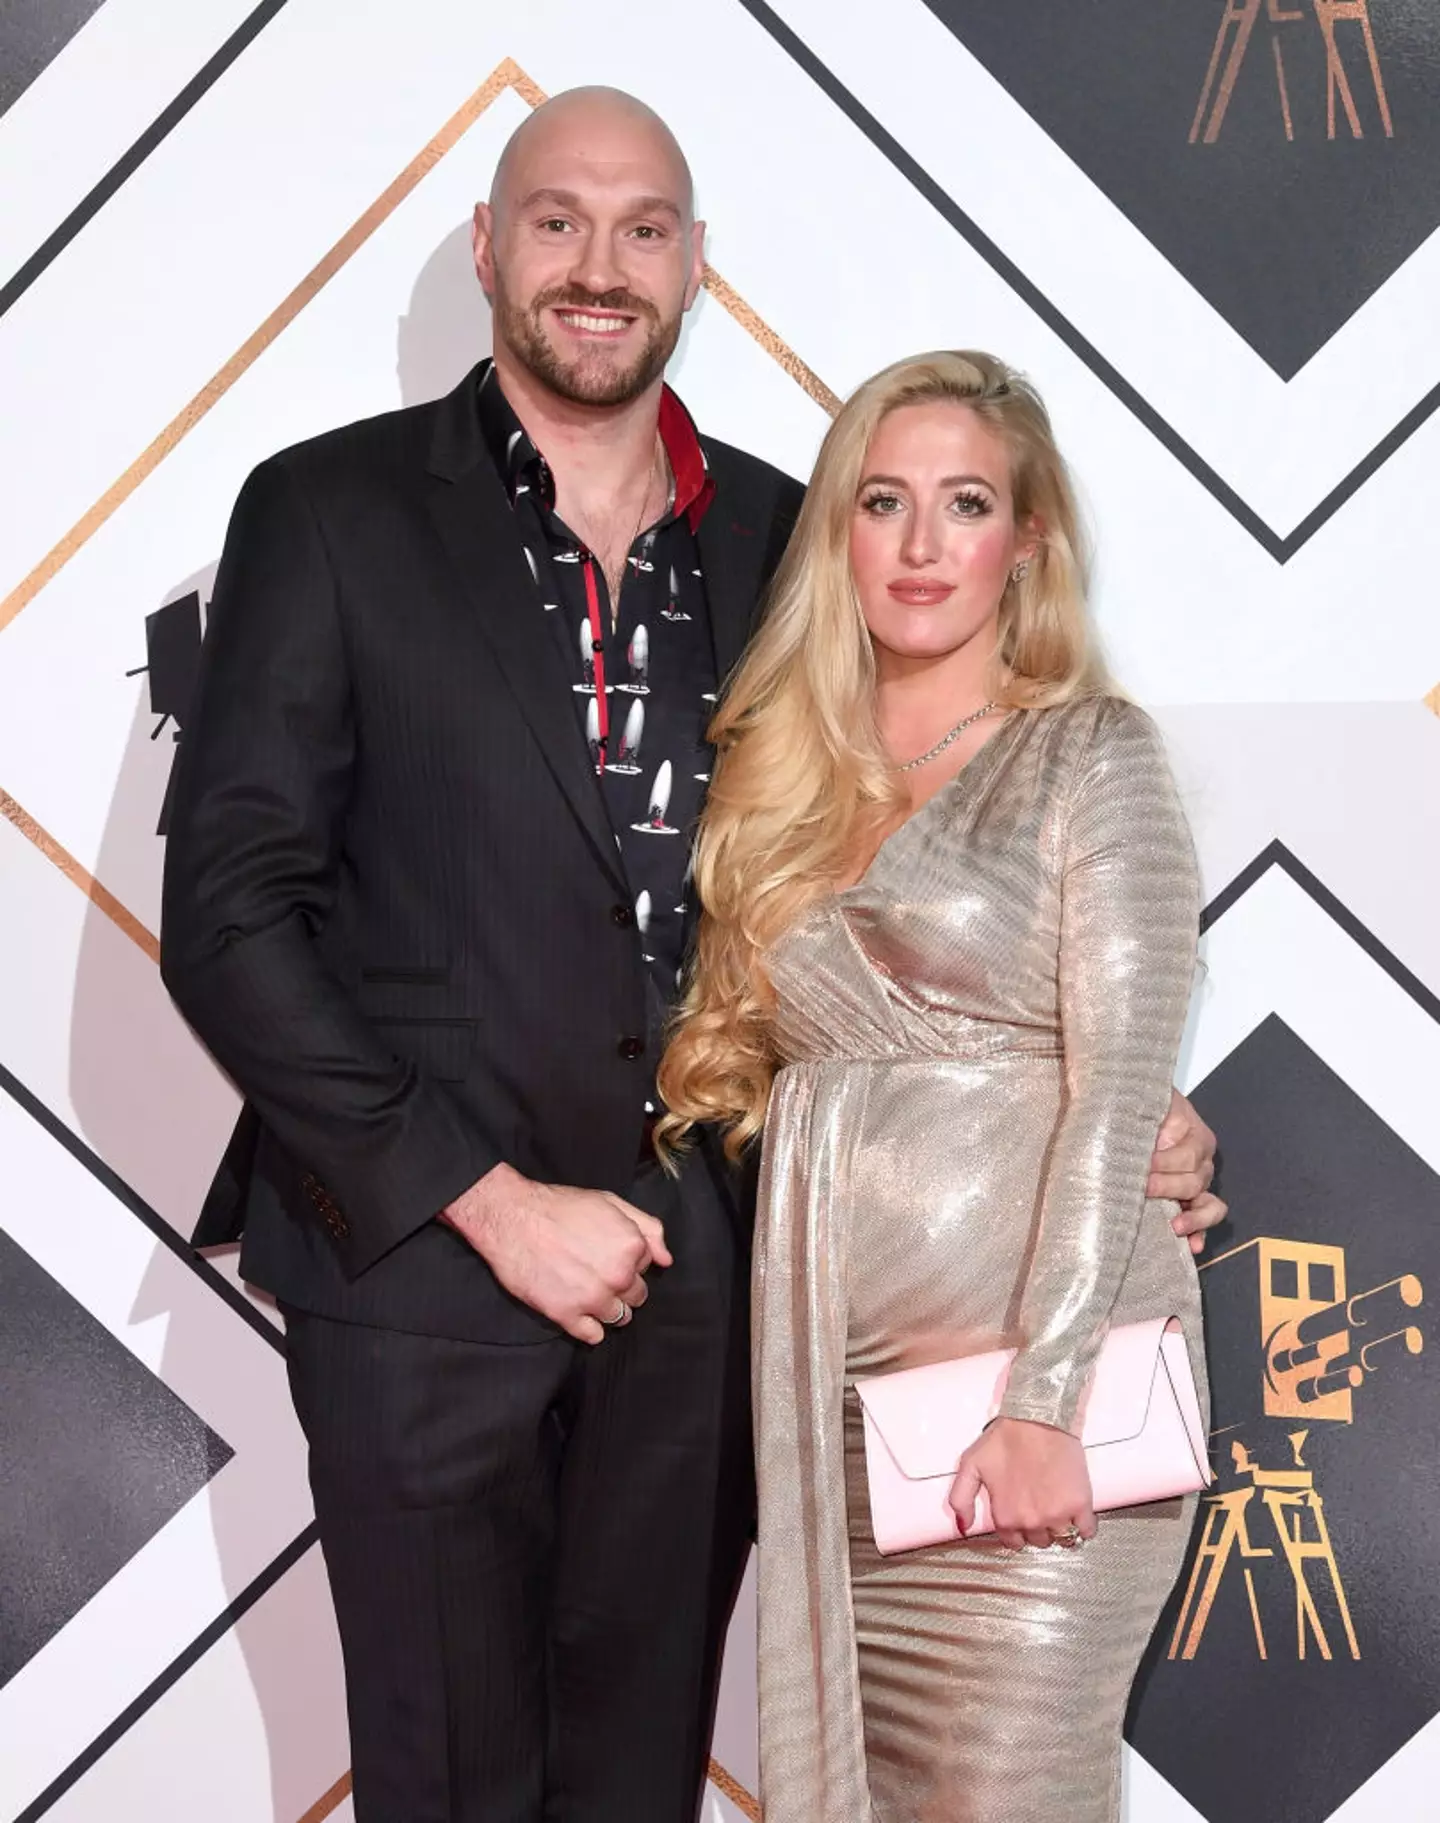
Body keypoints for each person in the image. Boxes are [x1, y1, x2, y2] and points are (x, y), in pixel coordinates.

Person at [160, 83, 1222, 1823]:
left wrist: (1112, 1107)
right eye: (558, 220)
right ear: (490, 250)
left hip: (724, 1294)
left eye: (643, 226)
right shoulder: (328, 510)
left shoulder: (793, 541)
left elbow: (905, 897)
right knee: (444, 1785)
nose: (600, 263)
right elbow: (229, 911)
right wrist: (487, 1200)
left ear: (696, 266)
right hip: (425, 1277)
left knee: (641, 1788)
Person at [659, 349, 1210, 1823]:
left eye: (964, 504)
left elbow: (1113, 1099)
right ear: (837, 529)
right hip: (840, 1416)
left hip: (1044, 1411)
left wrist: (1044, 1400)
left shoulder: (1094, 754)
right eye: (882, 501)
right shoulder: (781, 771)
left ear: (1026, 538)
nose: (919, 544)